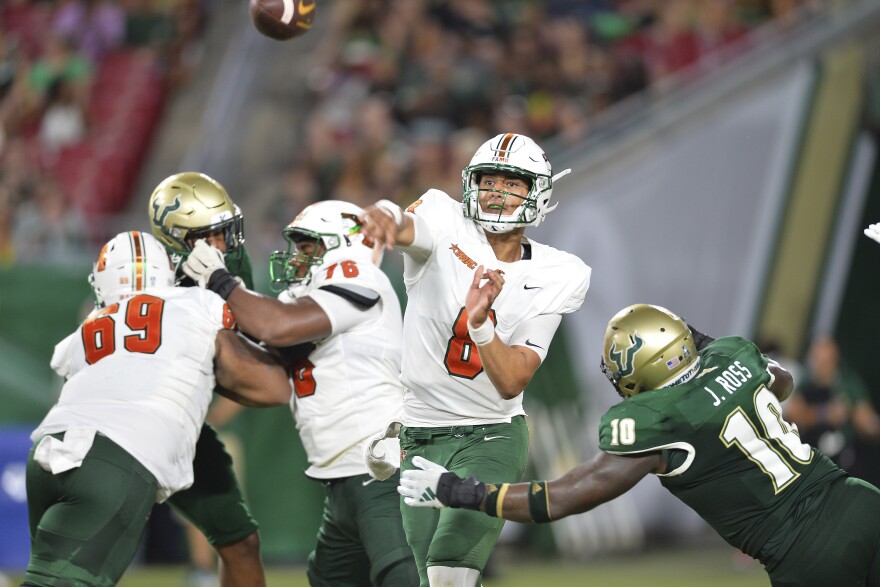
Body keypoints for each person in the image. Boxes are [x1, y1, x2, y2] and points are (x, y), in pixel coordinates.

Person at [399, 303, 880, 586]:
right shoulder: (736, 353)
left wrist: (465, 492)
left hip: (808, 555)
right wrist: (712, 363)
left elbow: (566, 495)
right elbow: (783, 383)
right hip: (860, 500)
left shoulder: (659, 419)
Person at [355, 132, 591, 586]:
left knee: (448, 576)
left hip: (491, 436)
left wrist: (482, 326)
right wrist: (384, 212)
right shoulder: (444, 221)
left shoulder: (558, 272)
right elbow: (405, 225)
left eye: (514, 182)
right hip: (420, 435)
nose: (498, 192)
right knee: (433, 580)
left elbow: (512, 379)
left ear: (537, 192)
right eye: (489, 180)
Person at [24, 231, 292, 587]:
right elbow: (272, 387)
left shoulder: (86, 329)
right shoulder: (196, 302)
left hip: (48, 456)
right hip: (121, 457)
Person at [181, 200, 418, 585]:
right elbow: (268, 382)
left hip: (384, 471)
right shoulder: (308, 305)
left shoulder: (360, 276)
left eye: (308, 247)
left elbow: (275, 326)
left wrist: (224, 282)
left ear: (342, 244)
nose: (296, 259)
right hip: (343, 483)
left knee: (406, 577)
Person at [147, 171, 264, 586]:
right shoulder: (141, 274)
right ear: (176, 240)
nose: (223, 245)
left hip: (190, 423)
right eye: (210, 235)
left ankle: (202, 577)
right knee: (105, 536)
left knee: (240, 540)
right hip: (135, 424)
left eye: (224, 231)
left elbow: (245, 346)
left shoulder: (229, 265)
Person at [784, 336, 880, 474]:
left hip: (839, 459)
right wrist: (824, 414)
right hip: (806, 453)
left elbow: (866, 418)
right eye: (818, 360)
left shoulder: (848, 384)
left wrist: (869, 424)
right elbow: (793, 413)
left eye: (827, 361)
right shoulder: (806, 382)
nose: (822, 366)